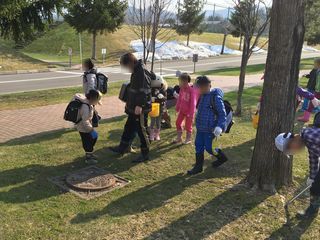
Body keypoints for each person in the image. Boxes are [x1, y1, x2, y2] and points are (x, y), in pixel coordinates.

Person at [109, 53, 152, 163]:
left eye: (126, 66)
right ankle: (123, 147)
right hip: (133, 107)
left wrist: (140, 105)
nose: (126, 69)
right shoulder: (136, 71)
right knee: (129, 127)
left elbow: (144, 90)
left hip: (140, 108)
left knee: (141, 130)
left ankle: (145, 154)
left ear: (131, 63)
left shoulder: (141, 72)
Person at [275, 128, 320, 218]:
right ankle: (313, 209)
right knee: (315, 184)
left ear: (292, 139)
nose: (293, 151)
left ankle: (312, 210)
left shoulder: (310, 136)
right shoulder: (308, 141)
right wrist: (312, 177)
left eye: (290, 148)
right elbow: (313, 159)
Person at [187, 76, 228, 175]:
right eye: (198, 87)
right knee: (198, 145)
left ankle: (222, 158)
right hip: (201, 128)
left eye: (201, 87)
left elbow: (222, 114)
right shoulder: (202, 96)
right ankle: (198, 167)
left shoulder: (215, 98)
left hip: (210, 129)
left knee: (209, 148)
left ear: (208, 86)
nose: (199, 89)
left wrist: (219, 126)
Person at [74, 89, 101, 164]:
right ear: (93, 98)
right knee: (88, 141)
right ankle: (88, 158)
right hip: (83, 127)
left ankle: (90, 154)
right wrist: (91, 129)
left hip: (86, 126)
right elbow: (85, 120)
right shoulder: (85, 106)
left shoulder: (89, 103)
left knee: (93, 137)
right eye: (97, 100)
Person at [174, 73, 198, 144]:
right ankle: (179, 137)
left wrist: (191, 113)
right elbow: (180, 99)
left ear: (185, 81)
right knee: (178, 122)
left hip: (189, 112)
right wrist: (177, 107)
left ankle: (188, 138)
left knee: (188, 125)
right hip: (182, 110)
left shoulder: (191, 90)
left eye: (180, 82)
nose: (179, 83)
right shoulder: (182, 89)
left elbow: (193, 103)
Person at [150, 76, 168, 141]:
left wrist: (162, 97)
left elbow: (165, 98)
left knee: (158, 122)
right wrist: (151, 99)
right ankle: (151, 134)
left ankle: (157, 134)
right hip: (153, 108)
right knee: (152, 121)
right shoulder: (152, 90)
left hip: (160, 108)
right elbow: (149, 96)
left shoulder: (163, 90)